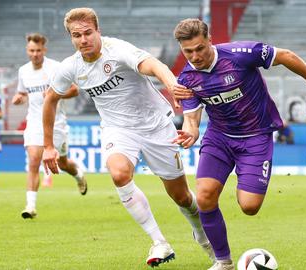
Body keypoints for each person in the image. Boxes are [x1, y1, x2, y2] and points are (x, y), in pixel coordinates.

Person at [41, 8, 214, 267]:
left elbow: (155, 65)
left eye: (88, 33)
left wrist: (171, 85)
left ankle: (200, 232)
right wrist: (47, 146)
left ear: (98, 31)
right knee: (119, 174)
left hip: (156, 126)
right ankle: (159, 242)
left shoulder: (118, 50)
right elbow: (50, 99)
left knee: (181, 196)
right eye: (76, 35)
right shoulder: (70, 67)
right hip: (118, 129)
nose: (83, 40)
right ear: (71, 38)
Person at [171, 19, 306, 270]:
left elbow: (286, 55)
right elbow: (192, 120)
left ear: (210, 39)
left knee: (249, 207)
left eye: (200, 48)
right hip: (219, 137)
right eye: (188, 52)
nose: (195, 56)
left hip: (256, 137)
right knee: (205, 196)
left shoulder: (241, 54)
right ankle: (223, 262)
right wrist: (190, 133)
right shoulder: (186, 78)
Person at [12, 33, 87, 219]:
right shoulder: (23, 71)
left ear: (44, 50)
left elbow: (74, 90)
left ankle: (77, 174)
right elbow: (22, 92)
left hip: (56, 123)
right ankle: (30, 207)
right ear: (27, 50)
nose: (35, 54)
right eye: (31, 50)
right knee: (34, 160)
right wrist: (19, 97)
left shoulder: (56, 67)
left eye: (38, 50)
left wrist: (55, 95)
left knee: (62, 163)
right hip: (34, 121)